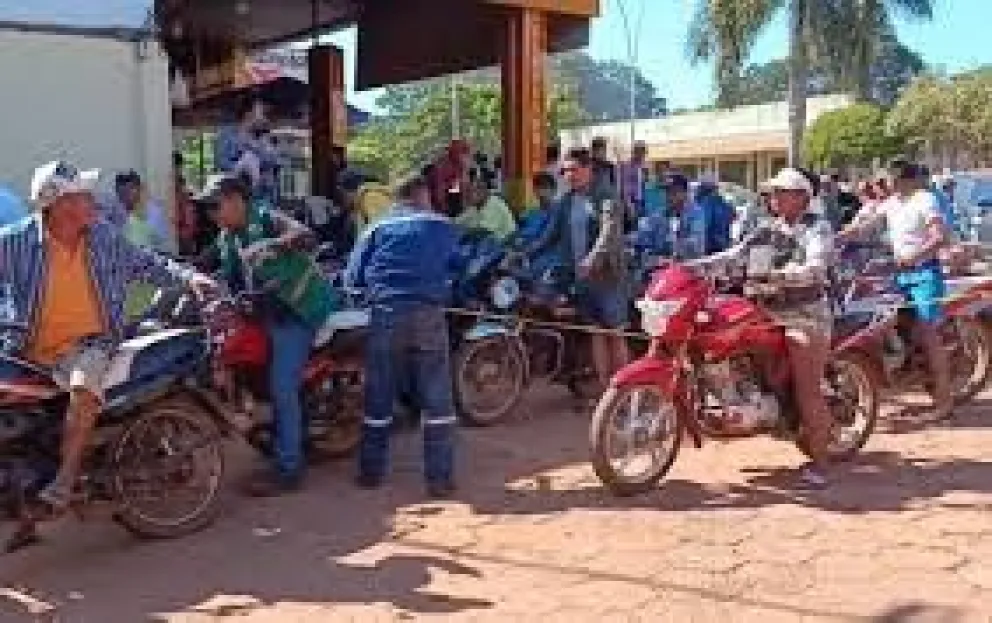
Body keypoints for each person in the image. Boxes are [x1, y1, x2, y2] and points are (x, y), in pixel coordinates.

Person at [0, 160, 214, 511]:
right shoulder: (16, 242)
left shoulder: (102, 236)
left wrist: (190, 278)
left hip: (89, 343)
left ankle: (65, 480)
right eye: (84, 196)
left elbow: (146, 263)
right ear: (60, 205)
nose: (94, 201)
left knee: (83, 388)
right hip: (26, 348)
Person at [692, 168, 837, 487]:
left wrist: (779, 276)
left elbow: (816, 267)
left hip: (804, 315)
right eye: (773, 193)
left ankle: (822, 464)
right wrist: (692, 267)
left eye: (782, 192)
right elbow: (735, 255)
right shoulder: (767, 229)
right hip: (766, 311)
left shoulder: (818, 228)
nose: (775, 198)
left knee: (808, 390)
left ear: (802, 197)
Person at [200, 174, 341, 495]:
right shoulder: (228, 238)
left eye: (215, 205)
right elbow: (211, 268)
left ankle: (289, 470)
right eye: (207, 208)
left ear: (237, 200)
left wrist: (273, 243)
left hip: (297, 311)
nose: (211, 214)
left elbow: (306, 236)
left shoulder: (266, 217)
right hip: (265, 311)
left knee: (281, 388)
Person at [344, 175, 460, 498]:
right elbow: (458, 265)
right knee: (437, 399)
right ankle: (439, 479)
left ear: (395, 199)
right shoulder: (442, 226)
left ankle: (371, 472)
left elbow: (352, 277)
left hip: (385, 315)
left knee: (379, 394)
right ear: (424, 195)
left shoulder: (376, 228)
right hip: (428, 316)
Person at [840, 159, 952, 420]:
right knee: (878, 319)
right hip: (897, 274)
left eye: (891, 178)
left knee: (928, 333)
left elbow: (940, 237)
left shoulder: (925, 200)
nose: (886, 183)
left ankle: (944, 401)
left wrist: (915, 256)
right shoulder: (891, 203)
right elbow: (863, 227)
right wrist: (835, 239)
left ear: (905, 179)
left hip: (924, 273)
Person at [535, 148, 629, 390]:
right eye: (565, 171)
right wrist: (524, 252)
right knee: (595, 332)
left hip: (607, 277)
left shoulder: (606, 196)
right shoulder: (565, 202)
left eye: (574, 170)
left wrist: (592, 259)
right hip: (581, 278)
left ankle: (625, 392)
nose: (569, 175)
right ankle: (605, 390)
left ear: (588, 169)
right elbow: (549, 236)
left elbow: (608, 233)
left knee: (615, 333)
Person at [454, 169, 517, 241]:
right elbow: (458, 222)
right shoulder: (475, 207)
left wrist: (465, 234)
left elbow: (484, 231)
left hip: (506, 244)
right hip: (490, 243)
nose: (472, 194)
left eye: (478, 189)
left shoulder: (494, 204)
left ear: (486, 190)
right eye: (470, 190)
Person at [619, 140, 649, 217]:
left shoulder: (645, 166)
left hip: (643, 201)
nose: (641, 153)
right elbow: (625, 185)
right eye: (638, 150)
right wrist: (628, 203)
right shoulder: (627, 166)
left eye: (643, 151)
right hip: (632, 202)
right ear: (634, 152)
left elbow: (645, 183)